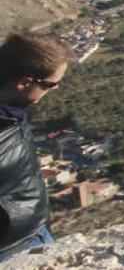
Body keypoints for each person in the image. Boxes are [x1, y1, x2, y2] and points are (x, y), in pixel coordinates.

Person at [0, 32, 71, 260]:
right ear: (25, 82)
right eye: (51, 84)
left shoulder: (11, 109)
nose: (55, 89)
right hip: (15, 244)